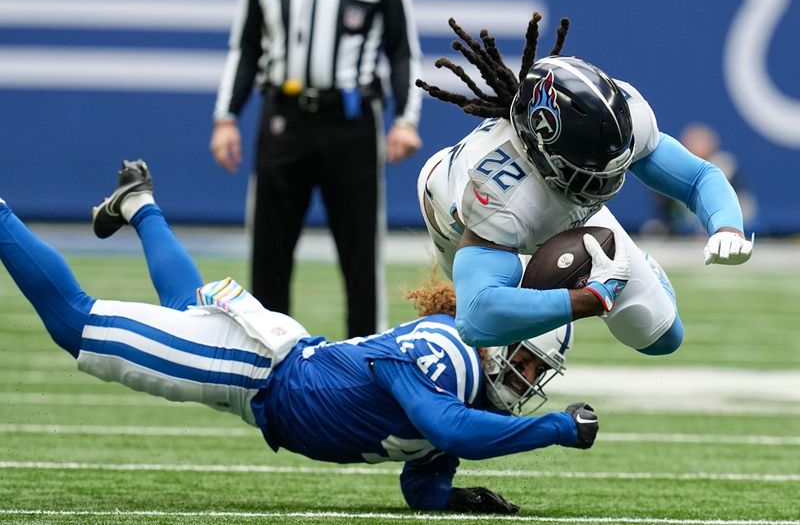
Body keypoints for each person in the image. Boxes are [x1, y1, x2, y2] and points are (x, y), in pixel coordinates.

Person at [2, 160, 599, 514]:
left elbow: (422, 480)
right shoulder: (450, 356)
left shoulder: (462, 389)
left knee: (186, 308)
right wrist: (554, 429)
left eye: (533, 374)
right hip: (252, 366)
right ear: (495, 341)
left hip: (270, 364)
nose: (524, 380)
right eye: (523, 362)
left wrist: (459, 501)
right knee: (76, 325)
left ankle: (139, 202)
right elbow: (445, 429)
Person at [414, 13, 754, 353]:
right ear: (542, 151)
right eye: (591, 172)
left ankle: (626, 265)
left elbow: (698, 177)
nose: (608, 181)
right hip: (455, 221)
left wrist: (727, 227)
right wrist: (587, 299)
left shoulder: (621, 115)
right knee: (503, 347)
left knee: (661, 336)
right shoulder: (498, 190)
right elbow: (477, 319)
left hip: (555, 207)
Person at [209, 0, 423, 338]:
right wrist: (226, 118)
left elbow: (402, 51)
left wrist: (406, 119)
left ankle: (365, 358)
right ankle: (267, 359)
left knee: (361, 254)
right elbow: (246, 47)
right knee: (269, 251)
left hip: (350, 120)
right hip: (283, 117)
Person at [642, 123, 759, 236]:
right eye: (694, 142)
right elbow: (664, 207)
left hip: (722, 223)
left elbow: (742, 202)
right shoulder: (673, 167)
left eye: (701, 142)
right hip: (683, 224)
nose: (697, 147)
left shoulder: (725, 167)